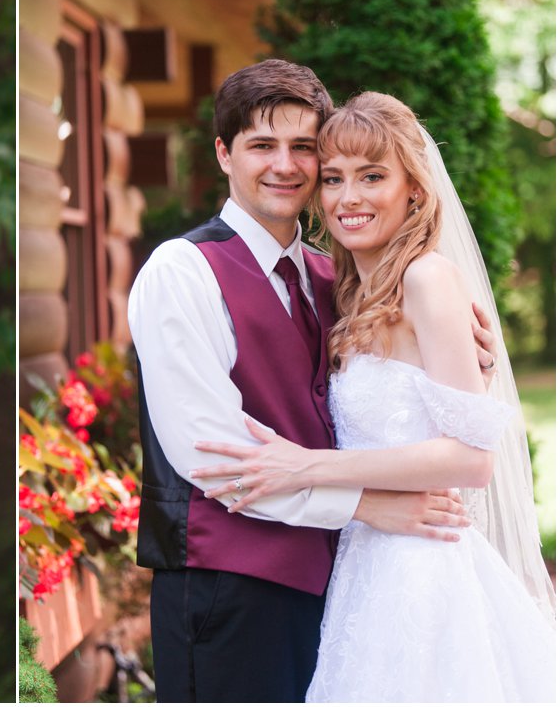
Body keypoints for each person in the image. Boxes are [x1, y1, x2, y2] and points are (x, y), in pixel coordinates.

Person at [127, 60, 497, 702]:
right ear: (224, 153)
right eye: (262, 145)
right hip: (228, 591)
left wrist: (474, 362)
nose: (286, 165)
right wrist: (366, 506)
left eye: (304, 148)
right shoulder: (181, 271)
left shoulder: (343, 280)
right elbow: (211, 456)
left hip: (345, 591)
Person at [191, 92, 555, 702]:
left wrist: (309, 465)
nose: (348, 197)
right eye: (332, 179)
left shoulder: (426, 278)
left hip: (422, 572)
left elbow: (472, 459)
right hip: (365, 565)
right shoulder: (353, 291)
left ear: (414, 188)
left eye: (372, 177)